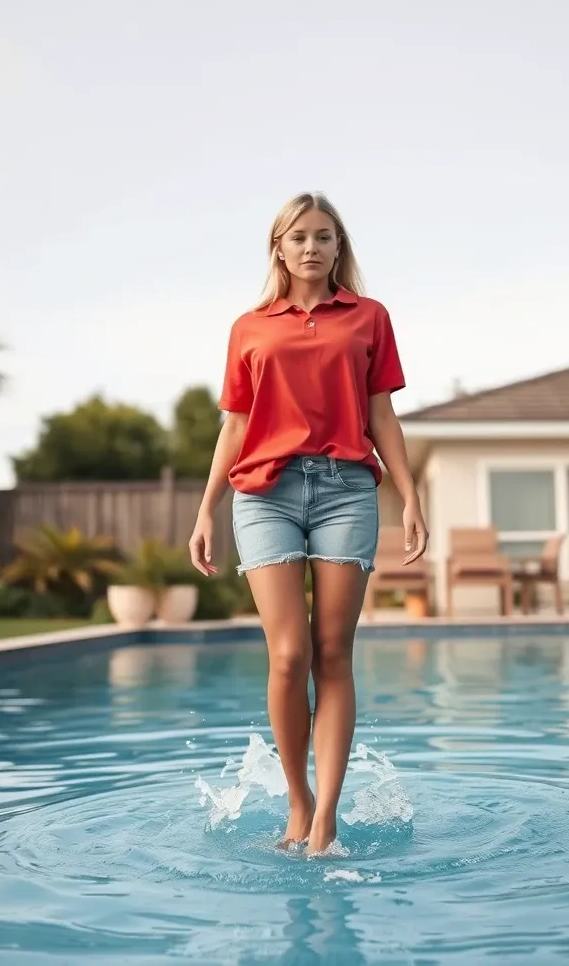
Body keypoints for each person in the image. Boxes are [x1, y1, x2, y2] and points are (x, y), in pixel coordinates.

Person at [188, 192, 428, 855]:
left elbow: (381, 414)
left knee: (332, 655)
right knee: (289, 655)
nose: (312, 248)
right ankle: (300, 800)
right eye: (299, 238)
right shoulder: (251, 327)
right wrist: (206, 508)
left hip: (346, 490)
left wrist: (409, 497)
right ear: (279, 249)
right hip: (263, 494)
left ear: (339, 247)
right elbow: (234, 425)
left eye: (325, 237)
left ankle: (326, 822)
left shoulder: (368, 318)